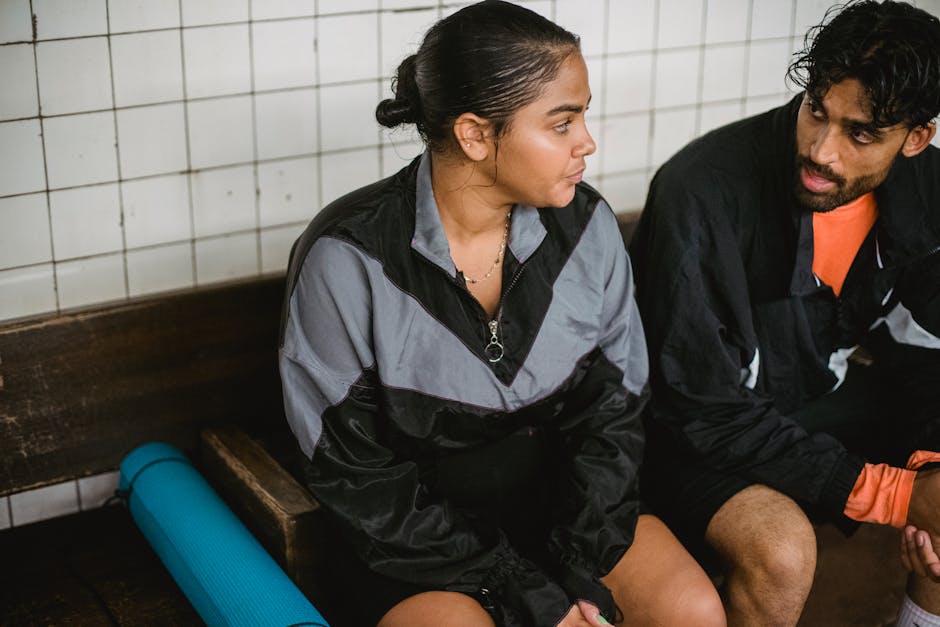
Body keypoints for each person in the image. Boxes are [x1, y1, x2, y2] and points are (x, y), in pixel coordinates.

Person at [278, 2, 725, 626]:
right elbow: (358, 476)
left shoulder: (587, 226)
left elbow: (614, 411)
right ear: (475, 134)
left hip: (568, 511)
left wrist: (573, 568)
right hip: (416, 544)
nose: (587, 143)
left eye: (582, 117)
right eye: (562, 123)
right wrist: (521, 588)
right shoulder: (347, 258)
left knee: (694, 610)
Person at [628, 1, 940, 625]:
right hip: (686, 435)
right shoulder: (700, 191)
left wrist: (929, 465)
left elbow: (927, 338)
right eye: (816, 110)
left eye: (861, 133)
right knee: (782, 552)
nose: (822, 151)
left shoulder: (926, 185)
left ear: (915, 139)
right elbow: (697, 406)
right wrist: (896, 493)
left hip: (816, 394)